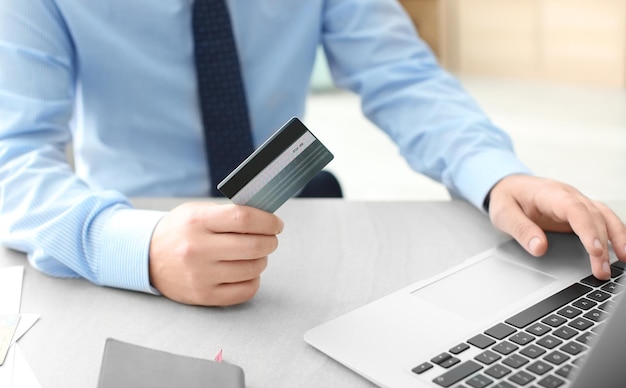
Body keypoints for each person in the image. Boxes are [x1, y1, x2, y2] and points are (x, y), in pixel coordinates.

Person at [0, 0, 624, 307]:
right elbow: (16, 156)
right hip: (133, 224)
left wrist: (499, 174)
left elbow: (401, 76)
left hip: (291, 215)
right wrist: (134, 246)